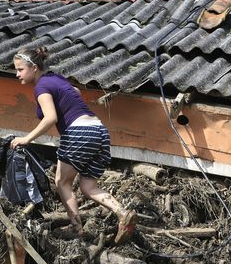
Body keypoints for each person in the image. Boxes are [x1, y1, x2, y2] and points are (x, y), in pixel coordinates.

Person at [9, 47, 137, 244]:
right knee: (88, 187)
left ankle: (77, 230)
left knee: (62, 182)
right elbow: (75, 91)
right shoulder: (57, 79)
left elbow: (50, 117)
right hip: (99, 131)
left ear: (34, 68)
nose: (17, 74)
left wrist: (27, 139)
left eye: (19, 69)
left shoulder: (41, 87)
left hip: (79, 132)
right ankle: (123, 213)